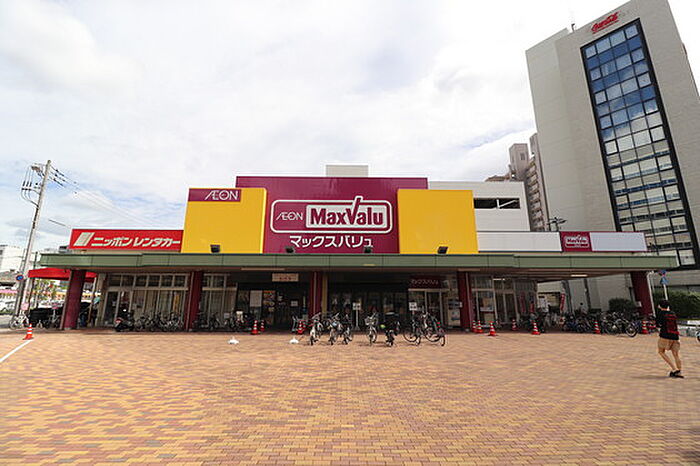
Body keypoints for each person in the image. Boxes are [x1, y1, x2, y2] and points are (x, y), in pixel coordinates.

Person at [655, 299, 683, 378]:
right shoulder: (672, 313)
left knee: (661, 352)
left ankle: (674, 369)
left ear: (660, 306)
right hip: (675, 336)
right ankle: (679, 371)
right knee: (676, 355)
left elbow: (658, 325)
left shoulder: (660, 313)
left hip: (665, 336)